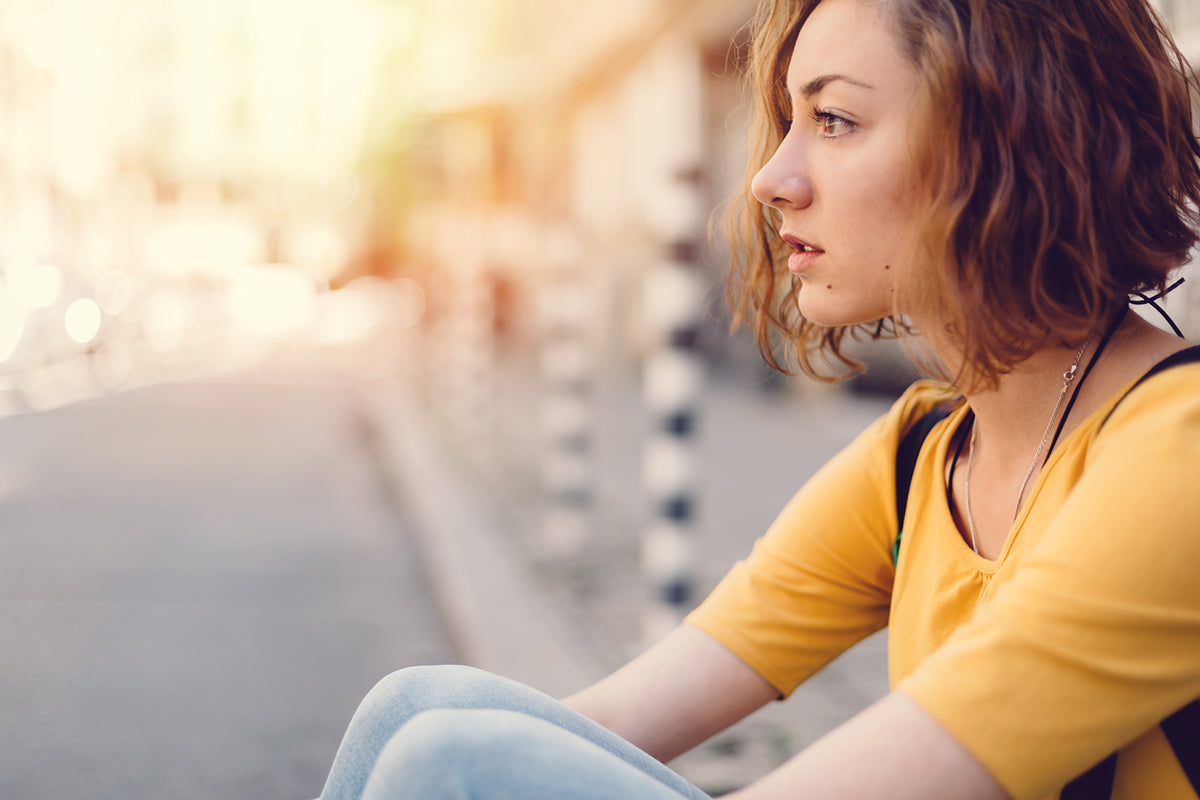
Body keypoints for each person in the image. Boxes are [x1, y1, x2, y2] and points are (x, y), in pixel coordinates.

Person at [318, 0, 1200, 797]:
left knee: (452, 763)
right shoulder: (924, 454)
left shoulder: (1179, 452)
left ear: (1008, 141)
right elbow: (615, 721)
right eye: (789, 121)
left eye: (835, 119)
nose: (771, 178)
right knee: (424, 711)